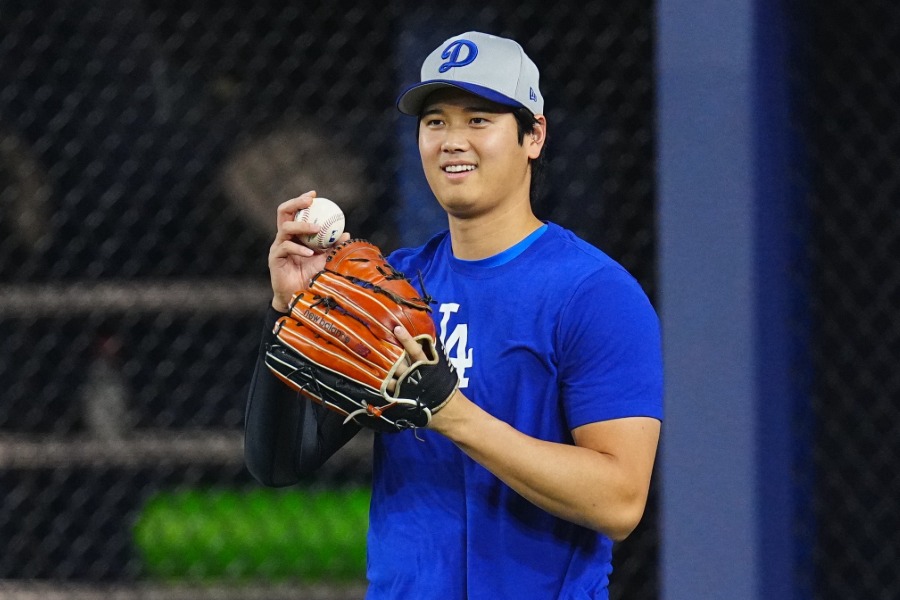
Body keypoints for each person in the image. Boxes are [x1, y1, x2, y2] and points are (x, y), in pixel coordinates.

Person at [244, 31, 663, 599]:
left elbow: (619, 501)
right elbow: (279, 462)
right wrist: (287, 312)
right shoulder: (390, 288)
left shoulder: (594, 293)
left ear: (533, 135)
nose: (452, 141)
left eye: (479, 119)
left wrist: (453, 415)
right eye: (435, 121)